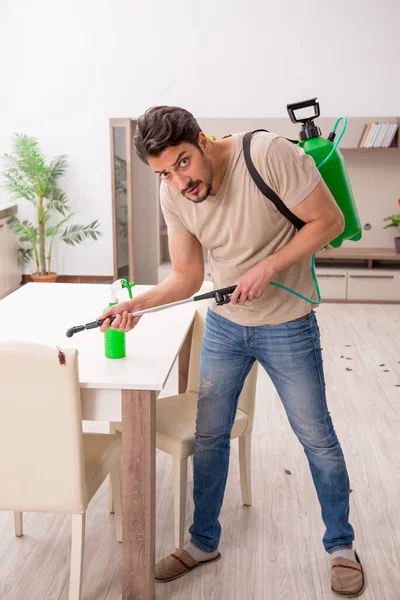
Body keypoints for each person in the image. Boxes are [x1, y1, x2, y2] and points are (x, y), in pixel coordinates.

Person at [98, 106, 365, 597]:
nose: (180, 182)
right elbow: (187, 276)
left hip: (288, 324)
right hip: (224, 326)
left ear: (202, 140)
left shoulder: (267, 154)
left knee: (316, 438)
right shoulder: (171, 194)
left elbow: (330, 221)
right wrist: (137, 303)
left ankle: (341, 546)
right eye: (164, 173)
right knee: (210, 434)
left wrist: (267, 267)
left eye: (183, 163)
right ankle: (203, 542)